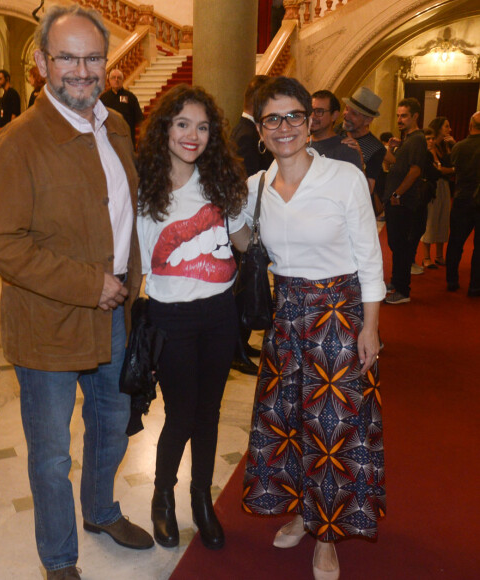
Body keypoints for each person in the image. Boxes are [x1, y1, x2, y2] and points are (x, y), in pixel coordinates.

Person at [0, 6, 153, 579]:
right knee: (52, 455)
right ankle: (58, 558)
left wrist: (136, 283)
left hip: (115, 318)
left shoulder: (116, 126)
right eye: (68, 57)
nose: (82, 69)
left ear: (107, 63)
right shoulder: (20, 141)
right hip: (48, 324)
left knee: (112, 424)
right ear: (41, 63)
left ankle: (101, 511)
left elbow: (125, 214)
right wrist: (87, 283)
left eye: (93, 57)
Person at [241, 77, 386, 580]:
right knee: (290, 425)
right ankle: (304, 514)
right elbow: (240, 240)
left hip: (339, 320)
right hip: (286, 320)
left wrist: (370, 328)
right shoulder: (255, 186)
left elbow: (370, 258)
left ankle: (327, 535)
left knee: (333, 431)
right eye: (272, 119)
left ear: (311, 120)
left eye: (293, 116)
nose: (284, 128)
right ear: (260, 129)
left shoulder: (343, 177)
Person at [137, 84, 250, 551]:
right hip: (171, 318)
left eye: (203, 127)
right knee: (181, 413)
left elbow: (245, 243)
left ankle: (201, 498)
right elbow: (134, 261)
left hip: (221, 314)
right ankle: (163, 496)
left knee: (209, 412)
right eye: (182, 124)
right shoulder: (142, 186)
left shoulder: (221, 179)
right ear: (164, 128)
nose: (193, 135)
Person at [229, 73, 274, 376]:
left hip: (247, 224)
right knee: (242, 291)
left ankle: (242, 344)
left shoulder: (250, 131)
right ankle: (235, 350)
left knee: (246, 290)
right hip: (242, 225)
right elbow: (243, 188)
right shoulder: (246, 135)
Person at [382, 97, 428, 304]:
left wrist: (397, 194)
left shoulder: (417, 139)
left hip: (402, 201)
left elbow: (415, 170)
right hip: (395, 200)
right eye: (398, 116)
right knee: (395, 244)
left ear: (415, 117)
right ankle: (396, 282)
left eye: (404, 116)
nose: (400, 119)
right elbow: (392, 165)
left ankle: (402, 290)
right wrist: (391, 148)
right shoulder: (407, 139)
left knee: (400, 246)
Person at [445, 111, 480, 296]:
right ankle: (475, 286)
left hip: (462, 198)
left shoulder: (459, 147)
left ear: (470, 126)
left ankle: (452, 280)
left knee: (455, 243)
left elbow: (453, 167)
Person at [421, 117, 455, 268]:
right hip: (432, 186)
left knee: (443, 219)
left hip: (445, 186)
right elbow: (439, 170)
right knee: (431, 220)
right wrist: (452, 170)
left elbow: (451, 165)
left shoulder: (445, 146)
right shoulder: (430, 145)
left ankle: (440, 255)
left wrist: (452, 146)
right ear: (439, 128)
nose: (449, 129)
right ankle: (426, 257)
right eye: (446, 126)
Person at [342, 87, 387, 197]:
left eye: (354, 113)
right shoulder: (336, 131)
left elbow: (368, 190)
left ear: (368, 120)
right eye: (346, 109)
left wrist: (360, 160)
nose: (346, 115)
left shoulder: (376, 148)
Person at [309, 89, 362, 170]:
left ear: (334, 116)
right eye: (310, 110)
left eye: (319, 111)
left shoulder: (346, 150)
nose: (312, 116)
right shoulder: (300, 146)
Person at [100, 68, 144, 145]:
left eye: (119, 78)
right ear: (109, 81)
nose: (116, 80)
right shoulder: (103, 98)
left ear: (122, 80)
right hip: (109, 140)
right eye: (113, 78)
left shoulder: (130, 97)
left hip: (127, 138)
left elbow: (139, 118)